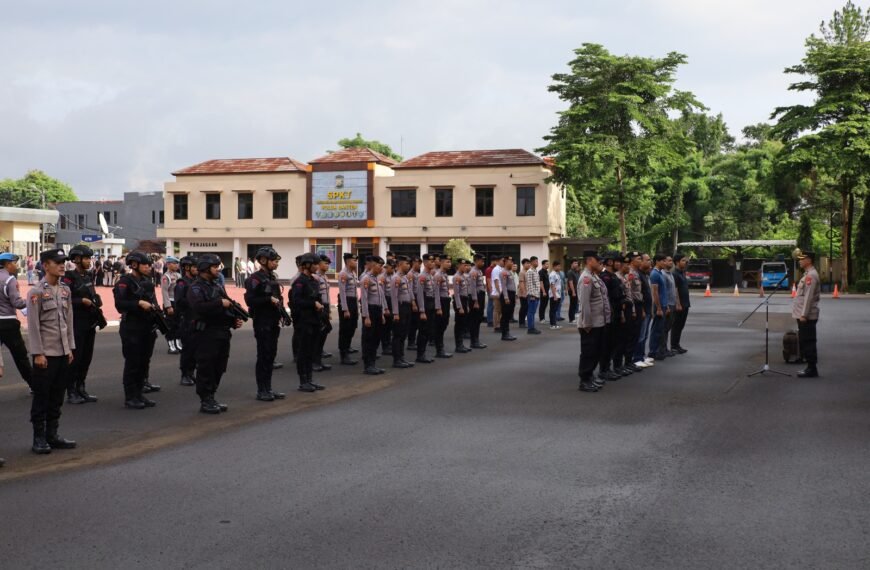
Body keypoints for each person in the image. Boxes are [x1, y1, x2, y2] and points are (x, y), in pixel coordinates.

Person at [27, 248, 77, 454]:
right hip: (45, 354)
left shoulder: (65, 290)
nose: (62, 265)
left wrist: (70, 347)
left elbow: (69, 321)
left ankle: (52, 435)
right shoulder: (36, 292)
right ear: (46, 265)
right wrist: (38, 353)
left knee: (57, 396)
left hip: (63, 353)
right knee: (42, 396)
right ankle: (38, 437)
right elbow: (33, 326)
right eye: (57, 262)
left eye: (63, 261)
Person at [187, 254, 242, 413]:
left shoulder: (216, 286)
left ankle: (212, 395)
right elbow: (198, 307)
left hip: (222, 332)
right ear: (205, 269)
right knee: (206, 367)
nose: (218, 270)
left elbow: (225, 308)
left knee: (219, 366)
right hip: (206, 334)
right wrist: (219, 303)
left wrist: (233, 321)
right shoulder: (196, 288)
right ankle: (205, 399)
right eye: (215, 267)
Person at [114, 251, 163, 409]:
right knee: (133, 362)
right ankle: (130, 396)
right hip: (132, 327)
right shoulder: (124, 282)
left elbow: (154, 302)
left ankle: (139, 393)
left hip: (147, 327)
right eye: (145, 264)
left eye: (149, 264)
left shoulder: (147, 282)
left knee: (143, 362)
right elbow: (120, 304)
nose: (149, 267)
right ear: (134, 265)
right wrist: (138, 304)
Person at [61, 245, 105, 404]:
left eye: (90, 258)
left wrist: (95, 299)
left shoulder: (87, 276)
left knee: (86, 357)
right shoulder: (68, 277)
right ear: (77, 259)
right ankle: (71, 391)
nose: (89, 261)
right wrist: (81, 301)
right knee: (76, 358)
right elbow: (63, 299)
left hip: (89, 322)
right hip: (76, 323)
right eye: (86, 258)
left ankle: (81, 388)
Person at [244, 247, 287, 401]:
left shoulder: (271, 277)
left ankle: (268, 388)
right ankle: (261, 390)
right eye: (273, 260)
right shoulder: (254, 279)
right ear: (263, 261)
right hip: (262, 321)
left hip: (273, 321)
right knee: (264, 355)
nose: (276, 263)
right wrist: (268, 300)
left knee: (270, 356)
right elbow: (250, 300)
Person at [291, 253, 325, 391]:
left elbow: (317, 297)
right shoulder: (299, 282)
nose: (317, 267)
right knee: (303, 351)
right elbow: (297, 301)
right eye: (315, 264)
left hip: (314, 320)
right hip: (304, 321)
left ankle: (310, 379)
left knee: (311, 351)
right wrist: (313, 304)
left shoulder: (314, 280)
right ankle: (303, 381)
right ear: (307, 265)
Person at [0, 252, 33, 390]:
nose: (17, 266)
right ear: (8, 264)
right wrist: (31, 301)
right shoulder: (10, 280)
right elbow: (17, 302)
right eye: (15, 263)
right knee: (21, 356)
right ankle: (35, 385)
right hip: (8, 322)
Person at [577, 251, 609, 393]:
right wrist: (587, 323)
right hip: (591, 324)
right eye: (598, 260)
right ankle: (584, 380)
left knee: (596, 351)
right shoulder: (586, 278)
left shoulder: (594, 276)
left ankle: (590, 377)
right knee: (588, 352)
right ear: (590, 261)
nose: (600, 263)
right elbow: (584, 304)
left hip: (599, 322)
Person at [792, 251, 821, 377]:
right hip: (803, 315)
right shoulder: (807, 274)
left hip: (807, 316)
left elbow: (808, 297)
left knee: (808, 341)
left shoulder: (811, 276)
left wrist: (804, 315)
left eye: (802, 259)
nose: (800, 261)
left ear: (809, 260)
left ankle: (811, 368)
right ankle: (809, 367)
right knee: (805, 340)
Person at [360, 256, 386, 375]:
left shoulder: (377, 279)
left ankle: (373, 364)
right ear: (374, 265)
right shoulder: (366, 279)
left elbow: (380, 298)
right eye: (380, 266)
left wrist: (382, 314)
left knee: (376, 338)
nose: (382, 268)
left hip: (377, 310)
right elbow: (364, 299)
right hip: (370, 310)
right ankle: (367, 365)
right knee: (368, 338)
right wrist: (366, 316)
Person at [175, 256, 198, 386]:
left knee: (195, 349)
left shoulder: (196, 281)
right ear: (187, 268)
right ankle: (185, 374)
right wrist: (194, 301)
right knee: (188, 349)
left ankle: (191, 372)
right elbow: (179, 302)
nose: (197, 269)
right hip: (187, 320)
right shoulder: (182, 283)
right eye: (194, 267)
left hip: (196, 319)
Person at [390, 255, 415, 368]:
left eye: (409, 264)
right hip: (400, 308)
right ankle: (397, 359)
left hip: (407, 307)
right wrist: (395, 313)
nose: (409, 266)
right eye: (407, 264)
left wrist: (413, 303)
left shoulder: (404, 277)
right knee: (398, 335)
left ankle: (402, 357)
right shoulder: (396, 278)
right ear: (400, 264)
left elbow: (409, 292)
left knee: (404, 334)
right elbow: (394, 297)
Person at [337, 252, 360, 365]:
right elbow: (342, 293)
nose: (356, 262)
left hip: (353, 302)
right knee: (345, 329)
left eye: (356, 260)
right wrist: (345, 309)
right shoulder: (343, 274)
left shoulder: (353, 273)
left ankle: (347, 348)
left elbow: (355, 292)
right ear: (347, 261)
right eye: (353, 260)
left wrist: (356, 307)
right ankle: (343, 354)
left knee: (352, 326)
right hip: (346, 302)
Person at [633, 254, 655, 369]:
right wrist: (641, 310)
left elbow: (648, 294)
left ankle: (641, 356)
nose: (649, 262)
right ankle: (636, 358)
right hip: (642, 310)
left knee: (645, 335)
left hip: (647, 310)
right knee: (640, 336)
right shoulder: (637, 275)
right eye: (646, 260)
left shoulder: (646, 275)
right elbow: (637, 295)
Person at [415, 253, 437, 363]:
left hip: (431, 304)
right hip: (425, 304)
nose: (432, 263)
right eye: (430, 261)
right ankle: (420, 355)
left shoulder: (431, 276)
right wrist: (422, 311)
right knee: (423, 331)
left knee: (428, 330)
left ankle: (423, 353)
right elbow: (419, 295)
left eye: (433, 261)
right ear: (424, 263)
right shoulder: (422, 277)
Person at [313, 255, 333, 372]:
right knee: (318, 335)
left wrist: (329, 310)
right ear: (319, 264)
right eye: (325, 263)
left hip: (324, 307)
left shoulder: (325, 277)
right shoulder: (315, 277)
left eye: (328, 264)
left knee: (324, 332)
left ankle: (318, 359)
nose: (327, 265)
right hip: (318, 308)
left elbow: (328, 296)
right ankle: (315, 361)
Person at [648, 254, 670, 361]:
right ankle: (653, 352)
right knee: (656, 329)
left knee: (660, 329)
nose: (665, 263)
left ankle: (657, 350)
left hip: (664, 305)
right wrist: (659, 308)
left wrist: (666, 306)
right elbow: (655, 293)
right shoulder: (654, 274)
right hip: (659, 306)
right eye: (663, 261)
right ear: (657, 261)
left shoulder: (660, 273)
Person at [161, 256, 181, 354]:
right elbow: (164, 292)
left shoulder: (178, 275)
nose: (177, 265)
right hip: (170, 302)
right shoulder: (166, 277)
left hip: (177, 302)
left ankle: (177, 343)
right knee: (170, 325)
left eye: (177, 263)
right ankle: (171, 345)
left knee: (178, 324)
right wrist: (168, 306)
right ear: (168, 264)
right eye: (174, 263)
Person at [671, 254, 691, 354]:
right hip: (680, 304)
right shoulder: (675, 274)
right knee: (676, 325)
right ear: (677, 262)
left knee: (681, 325)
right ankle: (674, 346)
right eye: (683, 261)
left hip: (685, 303)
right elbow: (675, 290)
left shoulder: (682, 273)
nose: (685, 262)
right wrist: (678, 304)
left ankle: (677, 344)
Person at [467, 254, 488, 349]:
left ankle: (476, 339)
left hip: (481, 296)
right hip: (476, 297)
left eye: (483, 261)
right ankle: (473, 341)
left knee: (478, 319)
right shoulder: (473, 272)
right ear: (476, 261)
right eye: (481, 261)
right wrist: (475, 301)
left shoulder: (479, 271)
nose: (483, 263)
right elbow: (472, 288)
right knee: (474, 320)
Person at [434, 255, 453, 357]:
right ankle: (439, 350)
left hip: (445, 300)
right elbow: (436, 293)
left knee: (444, 324)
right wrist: (438, 307)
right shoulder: (438, 275)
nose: (449, 264)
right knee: (439, 326)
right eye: (447, 262)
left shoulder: (444, 275)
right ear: (441, 262)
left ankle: (441, 348)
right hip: (440, 302)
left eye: (450, 262)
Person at [452, 258, 471, 353]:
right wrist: (459, 307)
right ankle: (458, 345)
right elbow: (456, 294)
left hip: (464, 300)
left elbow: (465, 293)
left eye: (466, 265)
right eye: (464, 265)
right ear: (459, 266)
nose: (466, 267)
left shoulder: (463, 276)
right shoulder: (456, 277)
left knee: (463, 323)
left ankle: (461, 344)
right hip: (459, 301)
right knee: (459, 324)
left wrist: (466, 305)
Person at [379, 260, 395, 357]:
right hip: (386, 302)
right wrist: (385, 308)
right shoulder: (382, 277)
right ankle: (385, 346)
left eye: (394, 268)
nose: (393, 270)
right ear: (386, 267)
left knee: (390, 326)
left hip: (391, 301)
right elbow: (382, 294)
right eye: (391, 268)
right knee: (385, 327)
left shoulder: (392, 276)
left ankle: (388, 345)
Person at [499, 258, 517, 341]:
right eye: (510, 261)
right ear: (506, 262)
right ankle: (504, 334)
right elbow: (504, 286)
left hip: (512, 294)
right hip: (507, 295)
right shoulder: (504, 272)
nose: (512, 263)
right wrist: (506, 297)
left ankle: (507, 332)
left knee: (509, 314)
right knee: (505, 315)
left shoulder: (509, 272)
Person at [406, 256, 421, 350]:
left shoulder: (417, 273)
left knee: (417, 322)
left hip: (418, 297)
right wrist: (413, 302)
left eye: (420, 263)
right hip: (413, 298)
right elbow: (410, 289)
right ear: (413, 263)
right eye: (418, 263)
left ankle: (413, 341)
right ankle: (411, 342)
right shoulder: (410, 274)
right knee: (413, 322)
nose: (419, 265)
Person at [489, 256, 503, 333]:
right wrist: (500, 292)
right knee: (496, 310)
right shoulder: (496, 269)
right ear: (498, 261)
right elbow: (496, 282)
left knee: (500, 311)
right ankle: (496, 326)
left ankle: (499, 325)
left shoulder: (500, 269)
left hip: (500, 292)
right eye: (502, 260)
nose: (503, 262)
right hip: (497, 293)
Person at [548, 260, 563, 329]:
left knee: (555, 310)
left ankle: (555, 323)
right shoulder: (552, 274)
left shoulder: (557, 274)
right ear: (554, 266)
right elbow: (552, 285)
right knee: (553, 310)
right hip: (554, 295)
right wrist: (554, 296)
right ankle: (552, 324)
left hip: (558, 294)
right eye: (558, 266)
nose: (559, 267)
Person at [566, 259, 580, 324]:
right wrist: (573, 292)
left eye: (577, 263)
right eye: (575, 263)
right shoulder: (570, 272)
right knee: (572, 305)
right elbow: (570, 282)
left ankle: (573, 318)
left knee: (574, 305)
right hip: (573, 291)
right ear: (571, 264)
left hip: (576, 291)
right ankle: (571, 319)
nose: (576, 264)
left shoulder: (576, 272)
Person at [537, 259, 550, 324]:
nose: (548, 265)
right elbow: (541, 282)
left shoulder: (546, 272)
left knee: (545, 305)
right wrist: (544, 291)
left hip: (547, 291)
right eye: (546, 264)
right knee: (542, 305)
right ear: (543, 265)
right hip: (543, 291)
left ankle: (543, 318)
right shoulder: (541, 272)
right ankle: (541, 318)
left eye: (548, 264)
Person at [518, 259, 529, 328]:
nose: (528, 264)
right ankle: (521, 323)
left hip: (527, 292)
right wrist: (524, 292)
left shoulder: (527, 272)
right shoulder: (522, 272)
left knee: (526, 308)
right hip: (523, 293)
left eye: (529, 263)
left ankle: (523, 321)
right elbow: (521, 283)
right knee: (523, 308)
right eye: (527, 263)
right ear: (523, 264)